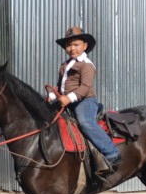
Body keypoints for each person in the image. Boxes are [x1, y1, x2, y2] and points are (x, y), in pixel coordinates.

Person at [47, 26, 122, 176]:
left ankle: (112, 153)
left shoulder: (87, 65)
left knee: (85, 122)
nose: (72, 48)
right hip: (67, 100)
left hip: (85, 101)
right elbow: (60, 86)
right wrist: (53, 95)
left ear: (85, 46)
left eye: (76, 44)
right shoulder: (65, 65)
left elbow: (85, 87)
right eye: (68, 45)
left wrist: (68, 98)